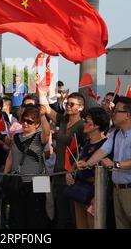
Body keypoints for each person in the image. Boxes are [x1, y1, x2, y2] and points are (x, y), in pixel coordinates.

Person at [81, 97, 131, 229]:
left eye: (116, 111)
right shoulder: (115, 133)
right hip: (117, 189)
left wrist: (115, 165)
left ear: (128, 115)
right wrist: (88, 163)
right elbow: (103, 150)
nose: (113, 114)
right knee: (121, 225)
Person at [42, 91, 87, 229]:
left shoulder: (82, 126)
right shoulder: (63, 120)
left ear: (81, 107)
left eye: (71, 104)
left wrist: (54, 134)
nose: (67, 106)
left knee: (75, 216)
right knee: (62, 215)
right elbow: (46, 108)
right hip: (59, 173)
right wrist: (39, 87)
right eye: (67, 103)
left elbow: (82, 151)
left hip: (73, 175)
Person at [4, 105, 50, 228]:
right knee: (17, 216)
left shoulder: (39, 136)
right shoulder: (16, 137)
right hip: (17, 180)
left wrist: (42, 115)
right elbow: (10, 157)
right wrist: (5, 175)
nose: (25, 123)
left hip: (39, 180)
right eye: (24, 120)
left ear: (37, 124)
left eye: (30, 122)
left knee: (37, 216)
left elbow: (47, 132)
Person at [71, 107, 110, 229]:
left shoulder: (105, 145)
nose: (84, 123)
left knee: (93, 225)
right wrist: (70, 174)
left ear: (97, 125)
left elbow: (105, 174)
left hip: (94, 193)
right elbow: (78, 164)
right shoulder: (85, 144)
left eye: (87, 120)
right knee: (81, 225)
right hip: (79, 191)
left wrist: (96, 196)